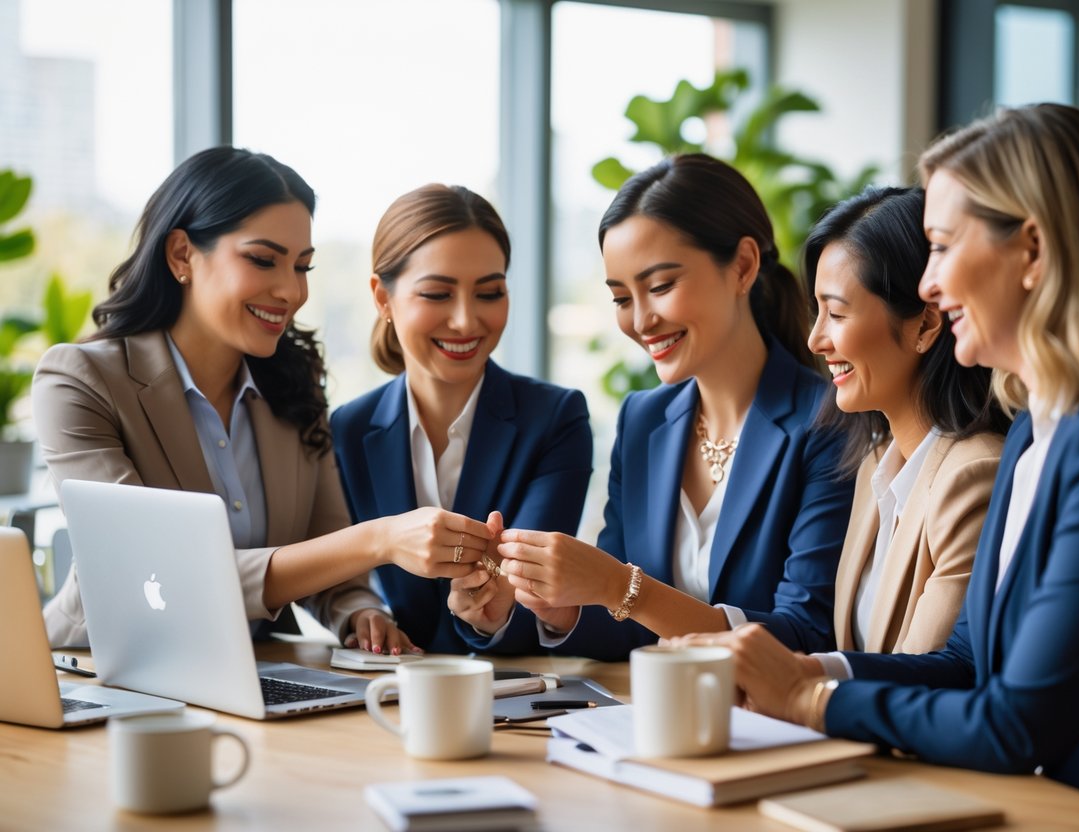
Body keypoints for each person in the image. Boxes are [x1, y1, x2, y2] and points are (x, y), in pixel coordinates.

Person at [675, 104, 1079, 829]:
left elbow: (1018, 722)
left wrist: (809, 701)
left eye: (940, 245)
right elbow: (967, 661)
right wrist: (808, 672)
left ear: (1031, 250)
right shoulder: (1036, 429)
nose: (926, 284)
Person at [34, 147, 494, 653]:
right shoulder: (80, 380)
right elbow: (149, 570)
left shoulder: (293, 388)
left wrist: (358, 612)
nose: (290, 290)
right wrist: (381, 540)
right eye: (262, 260)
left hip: (247, 672)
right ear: (182, 255)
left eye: (302, 267)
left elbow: (326, 555)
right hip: (96, 671)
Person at [464, 153, 855, 660]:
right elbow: (629, 624)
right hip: (647, 716)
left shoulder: (828, 419)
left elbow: (805, 637)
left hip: (773, 728)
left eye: (661, 286)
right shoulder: (643, 420)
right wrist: (554, 608)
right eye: (622, 298)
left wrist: (620, 587)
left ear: (743, 266)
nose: (641, 320)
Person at [329, 184, 593, 653]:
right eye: (437, 293)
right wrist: (363, 613)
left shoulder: (555, 419)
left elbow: (527, 593)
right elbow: (344, 573)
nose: (467, 321)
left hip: (508, 693)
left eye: (490, 292)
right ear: (382, 298)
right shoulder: (348, 429)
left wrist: (489, 616)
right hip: (382, 695)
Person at [805, 185, 1008, 654]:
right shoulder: (875, 461)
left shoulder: (974, 475)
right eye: (818, 311)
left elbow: (928, 678)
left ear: (925, 325)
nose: (816, 339)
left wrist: (802, 687)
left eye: (835, 313)